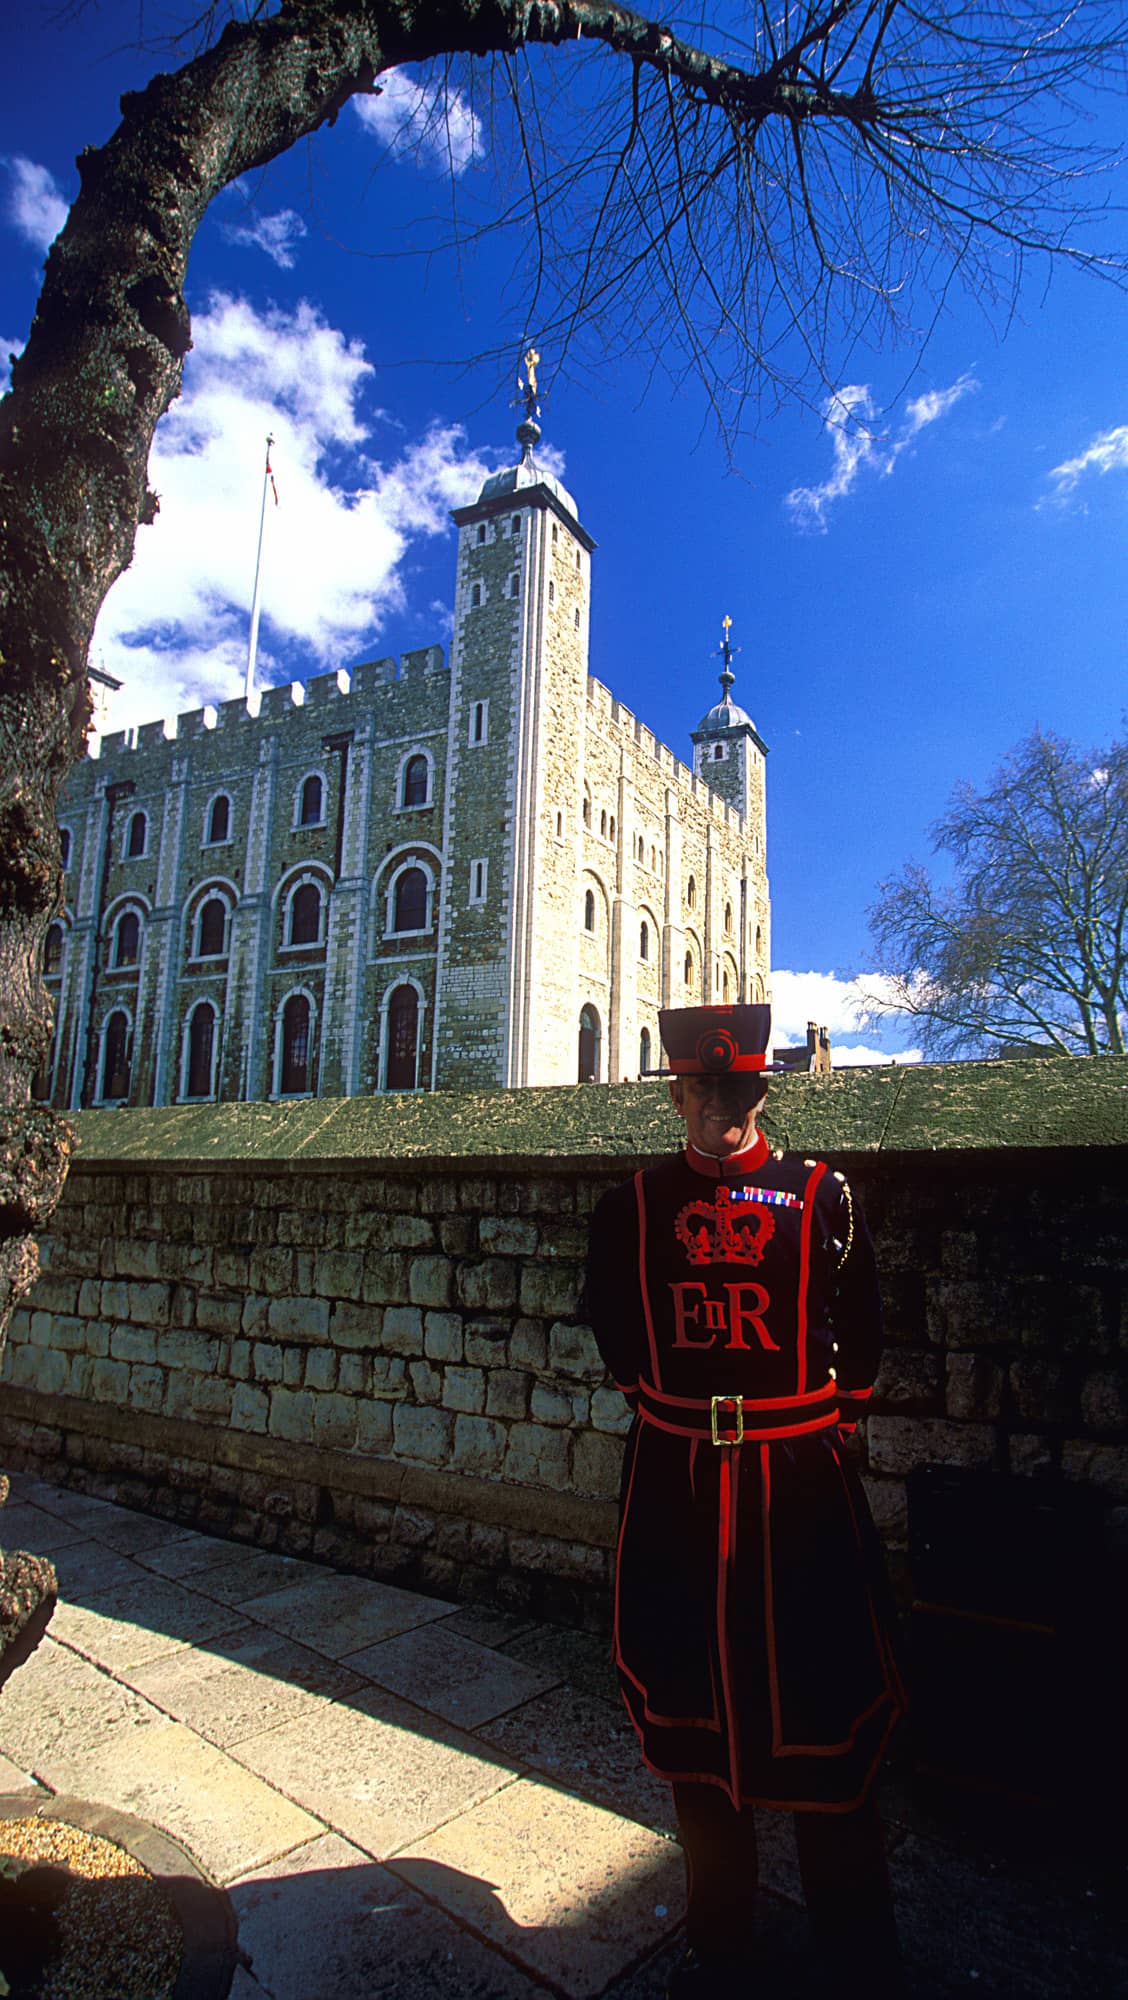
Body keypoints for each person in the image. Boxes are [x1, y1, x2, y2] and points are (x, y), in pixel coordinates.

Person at [583, 1004, 906, 1998]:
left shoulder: (822, 1195)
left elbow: (863, 1335)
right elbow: (616, 1329)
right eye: (700, 1088)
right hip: (678, 1493)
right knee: (693, 1724)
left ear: (762, 1091)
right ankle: (720, 1942)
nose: (718, 1106)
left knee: (826, 1717)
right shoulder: (634, 1206)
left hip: (798, 1495)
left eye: (737, 1089)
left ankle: (856, 1951)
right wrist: (675, 1411)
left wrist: (822, 1423)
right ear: (676, 1093)